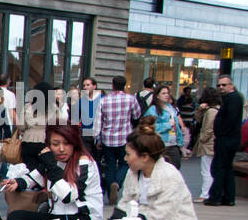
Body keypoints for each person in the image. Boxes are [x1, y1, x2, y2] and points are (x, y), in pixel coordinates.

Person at [101, 123, 205, 220]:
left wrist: (130, 219)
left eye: (129, 154)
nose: (125, 159)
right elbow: (124, 204)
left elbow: (161, 219)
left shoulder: (170, 176)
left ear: (144, 156)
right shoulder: (133, 173)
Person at [95, 74, 142, 204]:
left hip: (108, 137)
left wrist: (97, 138)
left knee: (110, 165)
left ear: (113, 85)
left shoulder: (104, 100)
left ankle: (111, 192)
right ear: (124, 85)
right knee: (125, 163)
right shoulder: (130, 99)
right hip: (125, 137)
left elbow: (98, 121)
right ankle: (117, 183)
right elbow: (137, 114)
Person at [206, 74, 245, 206]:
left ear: (231, 85)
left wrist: (221, 133)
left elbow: (230, 120)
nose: (221, 87)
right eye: (219, 85)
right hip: (227, 138)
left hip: (227, 139)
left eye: (224, 85)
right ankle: (228, 197)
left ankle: (216, 197)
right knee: (226, 168)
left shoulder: (233, 99)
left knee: (220, 167)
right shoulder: (231, 98)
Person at [143, 84, 187, 170]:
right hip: (160, 145)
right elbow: (148, 127)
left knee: (175, 170)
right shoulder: (153, 110)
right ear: (157, 96)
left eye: (167, 93)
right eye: (163, 93)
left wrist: (180, 144)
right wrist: (167, 125)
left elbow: (176, 126)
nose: (167, 95)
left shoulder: (170, 108)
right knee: (160, 171)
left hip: (173, 144)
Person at [190, 86, 219, 201]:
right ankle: (208, 192)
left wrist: (202, 139)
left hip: (208, 144)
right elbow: (198, 119)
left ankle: (205, 194)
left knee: (206, 169)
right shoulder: (214, 109)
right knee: (209, 169)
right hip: (212, 143)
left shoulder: (211, 111)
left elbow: (208, 127)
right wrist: (200, 110)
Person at [77, 76, 102, 154]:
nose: (85, 87)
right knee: (86, 155)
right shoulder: (81, 100)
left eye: (88, 85)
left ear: (94, 86)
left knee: (97, 158)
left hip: (99, 134)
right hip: (85, 133)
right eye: (84, 85)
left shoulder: (103, 99)